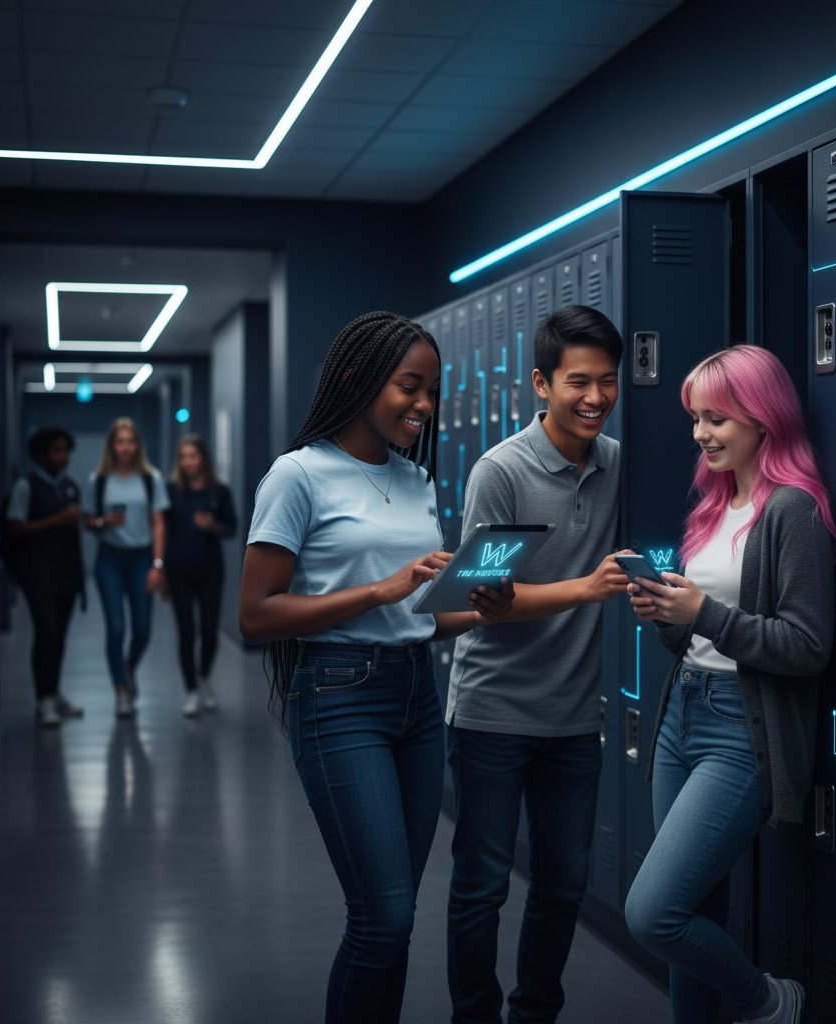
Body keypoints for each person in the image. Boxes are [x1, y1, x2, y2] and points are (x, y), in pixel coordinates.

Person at [238, 311, 515, 1024]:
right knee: (382, 919)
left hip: (418, 694)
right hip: (338, 697)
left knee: (394, 921)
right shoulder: (297, 476)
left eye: (432, 392)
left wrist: (481, 603)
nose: (424, 406)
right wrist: (381, 588)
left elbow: (425, 615)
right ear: (358, 380)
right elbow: (256, 615)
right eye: (409, 388)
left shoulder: (416, 480)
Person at [622, 345, 836, 1024]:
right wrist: (665, 614)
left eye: (717, 418)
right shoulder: (714, 507)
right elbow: (695, 634)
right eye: (696, 419)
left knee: (652, 914)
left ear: (762, 417)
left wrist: (704, 613)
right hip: (681, 714)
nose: (702, 434)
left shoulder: (793, 512)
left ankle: (770, 1002)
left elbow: (807, 646)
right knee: (694, 910)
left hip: (739, 733)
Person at [446, 304, 632, 1024]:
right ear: (540, 384)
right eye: (578, 381)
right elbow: (477, 600)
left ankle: (533, 1014)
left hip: (574, 718)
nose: (595, 398)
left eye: (608, 382)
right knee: (482, 886)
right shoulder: (503, 470)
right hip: (494, 713)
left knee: (564, 886)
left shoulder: (618, 465)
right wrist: (585, 587)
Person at [84, 418, 170, 718]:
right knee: (116, 627)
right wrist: (100, 522)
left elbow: (159, 523)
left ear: (137, 445)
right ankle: (120, 691)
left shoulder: (151, 478)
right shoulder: (99, 480)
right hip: (109, 558)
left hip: (141, 558)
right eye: (120, 442)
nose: (125, 448)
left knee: (143, 629)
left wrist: (157, 565)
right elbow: (87, 520)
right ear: (112, 445)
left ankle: (129, 667)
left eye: (130, 442)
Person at [4, 426, 85, 727]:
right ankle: (43, 700)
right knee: (46, 633)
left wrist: (74, 524)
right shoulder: (26, 486)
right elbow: (15, 528)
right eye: (57, 450)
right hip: (37, 573)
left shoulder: (70, 486)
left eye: (66, 450)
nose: (63, 456)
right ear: (40, 453)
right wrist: (57, 521)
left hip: (67, 572)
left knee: (60, 637)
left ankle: (54, 692)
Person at [165, 434, 237, 717]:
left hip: (210, 569)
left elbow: (232, 528)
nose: (187, 462)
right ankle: (191, 690)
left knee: (209, 633)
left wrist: (213, 526)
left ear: (203, 459)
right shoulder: (172, 491)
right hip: (178, 570)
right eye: (183, 457)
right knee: (186, 633)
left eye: (192, 456)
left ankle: (204, 676)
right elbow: (163, 530)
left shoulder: (219, 491)